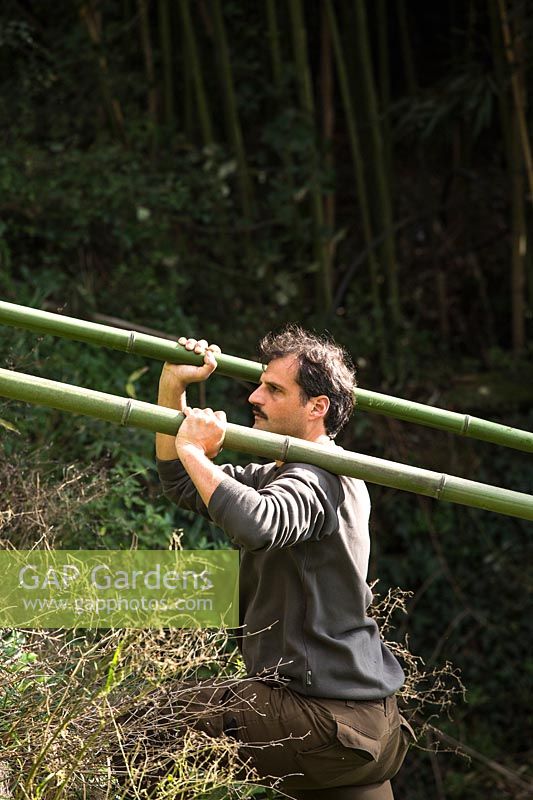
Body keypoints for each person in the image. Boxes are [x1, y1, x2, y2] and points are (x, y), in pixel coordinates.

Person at [155, 325, 414, 800]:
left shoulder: (319, 476)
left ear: (318, 408)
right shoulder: (284, 471)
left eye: (274, 390)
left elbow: (259, 524)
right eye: (260, 383)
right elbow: (181, 483)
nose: (255, 397)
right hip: (368, 729)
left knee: (146, 726)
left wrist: (194, 448)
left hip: (320, 719)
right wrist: (174, 388)